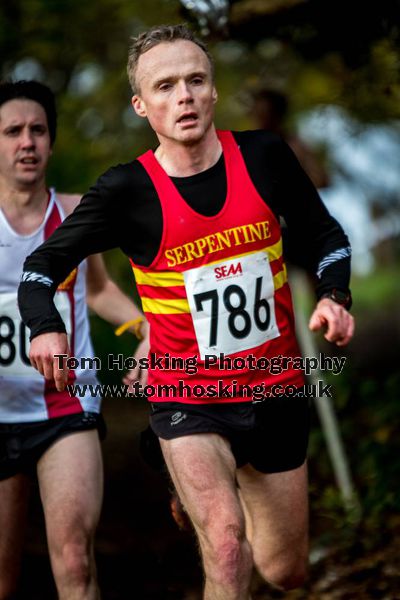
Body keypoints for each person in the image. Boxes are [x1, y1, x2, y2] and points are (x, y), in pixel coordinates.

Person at [18, 25, 354, 600]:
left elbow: (327, 237)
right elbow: (40, 269)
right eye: (165, 86)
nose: (184, 97)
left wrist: (334, 295)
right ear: (140, 104)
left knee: (284, 571)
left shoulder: (266, 157)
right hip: (186, 395)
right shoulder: (125, 190)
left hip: (275, 389)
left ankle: (209, 481)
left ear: (214, 91)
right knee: (226, 546)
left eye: (195, 81)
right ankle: (190, 472)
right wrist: (47, 328)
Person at [0, 80, 148, 600]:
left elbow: (101, 290)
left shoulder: (77, 211)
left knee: (74, 560)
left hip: (68, 406)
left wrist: (143, 328)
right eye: (13, 131)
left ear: (51, 142)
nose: (27, 142)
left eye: (38, 130)